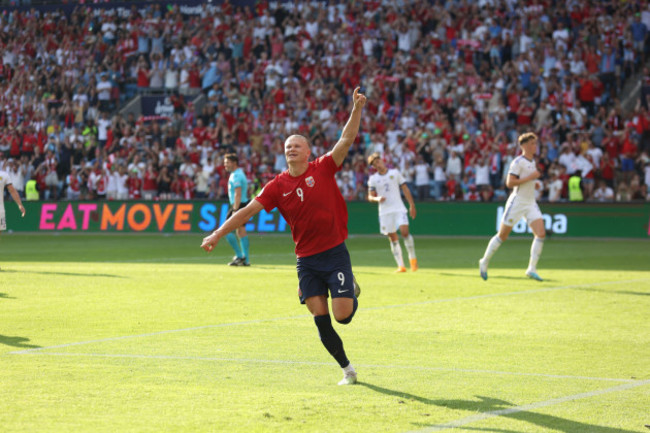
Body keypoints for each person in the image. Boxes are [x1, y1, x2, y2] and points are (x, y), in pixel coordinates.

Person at [201, 87, 366, 385]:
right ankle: (347, 370)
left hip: (334, 252)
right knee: (320, 317)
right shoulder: (276, 186)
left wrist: (356, 108)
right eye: (287, 146)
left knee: (343, 315)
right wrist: (216, 234)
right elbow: (246, 212)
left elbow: (346, 139)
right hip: (307, 260)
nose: (291, 149)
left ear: (308, 152)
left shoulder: (324, 168)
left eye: (297, 146)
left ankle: (350, 288)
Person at [478, 132, 546, 281]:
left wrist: (535, 183)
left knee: (540, 233)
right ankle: (484, 261)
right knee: (502, 236)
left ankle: (531, 269)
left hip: (530, 202)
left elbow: (527, 181)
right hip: (517, 202)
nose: (536, 146)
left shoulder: (532, 162)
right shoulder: (517, 162)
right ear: (526, 146)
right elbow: (510, 183)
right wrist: (531, 178)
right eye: (533, 144)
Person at [367, 152, 418, 272]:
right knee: (393, 237)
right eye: (375, 164)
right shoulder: (373, 179)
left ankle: (413, 259)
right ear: (373, 167)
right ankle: (401, 265)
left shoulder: (395, 173)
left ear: (382, 161)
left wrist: (412, 205)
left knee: (405, 232)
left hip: (398, 208)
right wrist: (376, 198)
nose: (378, 164)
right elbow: (370, 196)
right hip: (385, 212)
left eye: (378, 161)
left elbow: (405, 189)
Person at [223, 153, 251, 266]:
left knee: (226, 230)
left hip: (238, 205)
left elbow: (238, 194)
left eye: (227, 162)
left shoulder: (236, 176)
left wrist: (235, 209)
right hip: (242, 204)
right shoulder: (238, 173)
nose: (225, 165)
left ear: (234, 163)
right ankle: (246, 260)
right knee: (241, 231)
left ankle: (240, 256)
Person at [0, 167, 26, 267]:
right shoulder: (4, 175)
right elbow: (12, 191)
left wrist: (20, 204)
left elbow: (12, 190)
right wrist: (20, 204)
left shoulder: (4, 175)